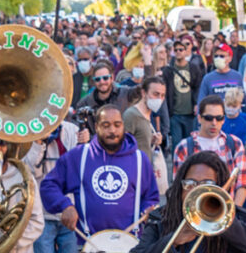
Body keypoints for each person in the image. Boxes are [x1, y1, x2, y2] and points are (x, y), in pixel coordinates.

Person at [40, 105, 160, 245]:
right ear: (96, 127)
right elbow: (48, 186)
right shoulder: (79, 156)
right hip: (88, 244)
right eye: (106, 125)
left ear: (123, 126)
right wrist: (65, 206)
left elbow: (151, 197)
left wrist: (148, 210)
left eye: (117, 125)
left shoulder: (140, 159)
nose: (112, 131)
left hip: (130, 244)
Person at [24, 117, 80, 253]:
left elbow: (77, 169)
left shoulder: (72, 130)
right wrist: (39, 143)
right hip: (43, 214)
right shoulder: (30, 133)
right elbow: (29, 171)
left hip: (70, 213)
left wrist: (82, 145)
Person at [172, 96, 246, 207]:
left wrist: (232, 211)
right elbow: (179, 188)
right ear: (199, 118)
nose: (214, 123)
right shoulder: (183, 147)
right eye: (208, 118)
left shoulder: (235, 143)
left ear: (223, 120)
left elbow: (243, 183)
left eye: (219, 118)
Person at [123, 77, 169, 195]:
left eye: (162, 95)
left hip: (146, 176)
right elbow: (123, 147)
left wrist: (153, 141)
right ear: (144, 93)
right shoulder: (131, 115)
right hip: (134, 178)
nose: (159, 99)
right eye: (155, 94)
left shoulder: (148, 115)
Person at [162, 40, 203, 150]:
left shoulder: (193, 68)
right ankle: (177, 167)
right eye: (176, 50)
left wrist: (196, 103)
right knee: (177, 146)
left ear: (186, 51)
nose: (178, 52)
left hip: (190, 114)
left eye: (181, 49)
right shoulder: (168, 70)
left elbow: (198, 86)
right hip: (175, 114)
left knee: (190, 145)